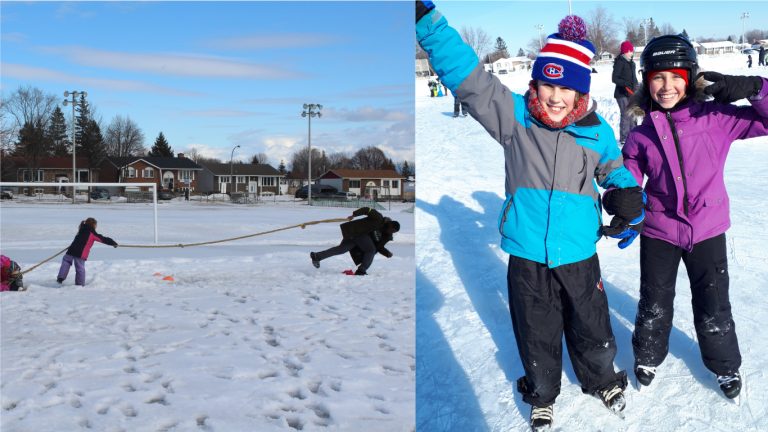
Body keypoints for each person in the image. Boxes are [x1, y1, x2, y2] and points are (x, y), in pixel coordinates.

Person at [416, 3, 644, 430]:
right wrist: (428, 24)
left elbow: (615, 169)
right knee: (535, 330)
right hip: (528, 255)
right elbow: (471, 81)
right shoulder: (516, 121)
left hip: (578, 251)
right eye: (546, 86)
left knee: (591, 324)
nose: (555, 98)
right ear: (535, 85)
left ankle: (601, 378)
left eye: (565, 89)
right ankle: (542, 391)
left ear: (580, 92)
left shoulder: (596, 131)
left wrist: (629, 194)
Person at [622, 34, 768, 400]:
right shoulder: (640, 136)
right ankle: (648, 355)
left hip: (707, 230)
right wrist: (622, 200)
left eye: (675, 76)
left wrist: (753, 87)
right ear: (646, 81)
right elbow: (625, 177)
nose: (666, 86)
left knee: (714, 301)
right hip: (658, 231)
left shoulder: (717, 118)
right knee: (654, 299)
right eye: (657, 77)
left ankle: (724, 365)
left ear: (690, 76)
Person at [310, 207, 399, 275]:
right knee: (370, 250)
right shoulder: (379, 218)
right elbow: (367, 210)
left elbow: (379, 247)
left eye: (394, 232)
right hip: (354, 232)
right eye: (392, 229)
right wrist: (354, 214)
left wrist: (387, 253)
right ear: (389, 224)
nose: (392, 232)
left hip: (355, 236)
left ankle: (317, 256)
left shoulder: (387, 236)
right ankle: (361, 270)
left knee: (341, 249)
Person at [57, 217, 118, 286]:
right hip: (80, 253)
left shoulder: (81, 230)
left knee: (66, 262)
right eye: (96, 225)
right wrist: (113, 243)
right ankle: (80, 285)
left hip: (71, 250)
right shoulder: (92, 233)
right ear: (93, 225)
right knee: (80, 268)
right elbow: (103, 239)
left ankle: (60, 278)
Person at [612, 40, 638, 145]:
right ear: (625, 51)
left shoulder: (632, 63)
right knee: (626, 115)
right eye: (630, 51)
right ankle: (624, 137)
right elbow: (614, 78)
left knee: (633, 113)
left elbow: (634, 78)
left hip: (631, 92)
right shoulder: (620, 62)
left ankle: (634, 134)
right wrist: (625, 84)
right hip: (621, 93)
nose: (632, 53)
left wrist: (636, 87)